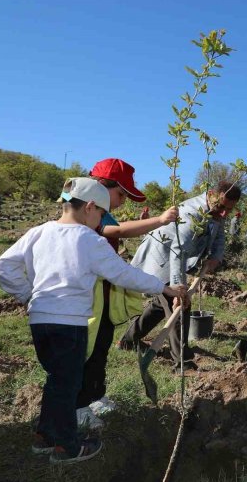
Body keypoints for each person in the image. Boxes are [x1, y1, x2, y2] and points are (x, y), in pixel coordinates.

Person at [0, 177, 187, 464]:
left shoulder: (39, 232)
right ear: (90, 207)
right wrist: (165, 288)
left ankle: (45, 436)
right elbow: (124, 274)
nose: (100, 221)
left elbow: (3, 265)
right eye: (100, 214)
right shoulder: (90, 240)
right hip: (70, 323)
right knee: (68, 383)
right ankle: (66, 447)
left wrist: (27, 295)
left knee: (56, 379)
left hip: (40, 321)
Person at [76, 158, 179, 429]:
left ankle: (95, 396)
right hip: (88, 299)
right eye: (121, 193)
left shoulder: (100, 211)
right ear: (100, 186)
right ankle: (79, 407)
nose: (122, 201)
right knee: (86, 352)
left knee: (100, 349)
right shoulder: (88, 215)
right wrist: (160, 220)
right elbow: (118, 231)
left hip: (103, 300)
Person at [118, 181, 241, 369]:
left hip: (177, 258)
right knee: (180, 306)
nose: (224, 213)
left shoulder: (216, 210)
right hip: (162, 259)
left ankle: (128, 341)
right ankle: (182, 362)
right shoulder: (191, 215)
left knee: (161, 305)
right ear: (210, 194)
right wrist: (178, 289)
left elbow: (219, 235)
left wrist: (215, 257)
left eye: (229, 210)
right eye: (222, 207)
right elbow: (178, 252)